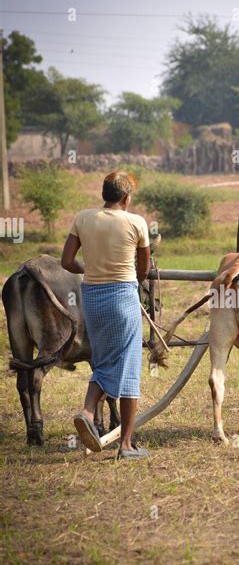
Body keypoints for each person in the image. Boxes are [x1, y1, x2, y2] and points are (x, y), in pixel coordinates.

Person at [61, 170, 150, 460]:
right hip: (123, 297)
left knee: (104, 359)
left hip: (93, 300)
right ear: (126, 198)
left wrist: (90, 270)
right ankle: (123, 443)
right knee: (129, 366)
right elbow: (143, 270)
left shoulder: (83, 218)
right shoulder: (136, 222)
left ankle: (92, 415)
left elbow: (66, 261)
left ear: (104, 195)